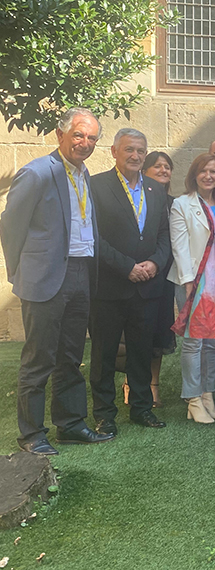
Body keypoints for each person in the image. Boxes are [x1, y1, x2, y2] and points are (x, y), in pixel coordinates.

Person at [0, 107, 114, 454]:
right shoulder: (37, 173)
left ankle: (71, 424)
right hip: (45, 280)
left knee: (71, 356)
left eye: (92, 137)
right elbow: (10, 226)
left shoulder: (84, 174)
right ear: (60, 134)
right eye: (78, 135)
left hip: (80, 274)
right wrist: (20, 271)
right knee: (39, 360)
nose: (85, 143)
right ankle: (32, 435)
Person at [88, 128, 170, 435]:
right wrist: (127, 267)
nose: (135, 156)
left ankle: (141, 408)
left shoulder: (155, 189)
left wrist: (155, 262)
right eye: (129, 150)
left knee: (141, 351)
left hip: (147, 286)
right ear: (113, 152)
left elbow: (163, 234)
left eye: (140, 151)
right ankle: (104, 413)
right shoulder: (95, 186)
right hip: (110, 286)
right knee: (104, 354)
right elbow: (92, 237)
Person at [168, 153, 215, 423]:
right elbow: (180, 246)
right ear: (194, 175)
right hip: (196, 282)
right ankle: (192, 398)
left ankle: (207, 394)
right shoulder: (182, 204)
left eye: (214, 172)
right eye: (204, 171)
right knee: (193, 342)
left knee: (213, 342)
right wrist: (189, 282)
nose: (209, 176)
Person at [139, 151, 177, 408]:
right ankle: (132, 383)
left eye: (167, 166)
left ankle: (153, 385)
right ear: (144, 170)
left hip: (165, 277)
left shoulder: (176, 203)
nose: (163, 170)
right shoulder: (137, 199)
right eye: (157, 166)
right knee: (136, 333)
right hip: (139, 273)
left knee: (159, 332)